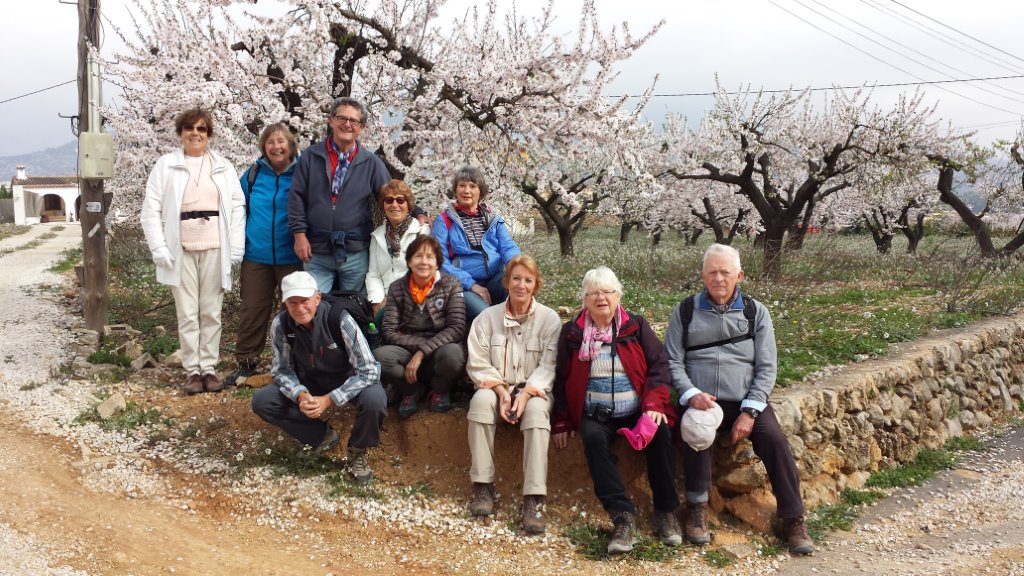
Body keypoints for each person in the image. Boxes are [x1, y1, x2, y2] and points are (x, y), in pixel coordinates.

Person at [665, 243, 814, 555]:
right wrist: (690, 394)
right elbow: (673, 363)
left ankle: (793, 518)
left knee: (773, 439)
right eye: (712, 272)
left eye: (725, 272)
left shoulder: (755, 312)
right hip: (702, 398)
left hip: (745, 399)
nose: (719, 278)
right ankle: (696, 510)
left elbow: (766, 366)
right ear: (703, 275)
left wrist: (750, 410)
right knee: (695, 435)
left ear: (739, 275)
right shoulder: (685, 311)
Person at [552, 267, 682, 554]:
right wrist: (561, 421)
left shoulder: (635, 327)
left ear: (618, 296)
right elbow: (560, 377)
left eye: (607, 291)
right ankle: (622, 516)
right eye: (594, 292)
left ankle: (666, 511)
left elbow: (660, 365)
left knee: (659, 431)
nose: (601, 297)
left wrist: (653, 405)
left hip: (636, 410)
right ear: (584, 299)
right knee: (593, 439)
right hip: (595, 413)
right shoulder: (572, 334)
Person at [140, 108, 246, 395]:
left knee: (211, 312)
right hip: (180, 248)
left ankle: (209, 368)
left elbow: (237, 207)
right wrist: (159, 247)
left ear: (208, 134)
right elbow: (150, 210)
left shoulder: (223, 166)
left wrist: (236, 246)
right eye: (189, 129)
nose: (195, 134)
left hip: (215, 246)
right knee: (187, 313)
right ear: (180, 133)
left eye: (201, 129)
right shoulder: (166, 166)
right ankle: (192, 370)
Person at [251, 271, 386, 485]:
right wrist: (301, 395)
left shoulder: (339, 318)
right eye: (292, 302)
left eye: (304, 301)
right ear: (285, 302)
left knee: (375, 400)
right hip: (310, 380)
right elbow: (281, 370)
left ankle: (358, 451)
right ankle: (321, 437)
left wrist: (329, 400)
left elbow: (369, 369)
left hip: (348, 378)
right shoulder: (281, 324)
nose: (299, 308)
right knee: (263, 401)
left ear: (317, 298)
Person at [288, 97, 425, 294]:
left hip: (355, 250)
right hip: (316, 249)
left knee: (354, 308)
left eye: (354, 121)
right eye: (342, 118)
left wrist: (418, 211)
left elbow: (392, 192)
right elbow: (296, 197)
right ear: (331, 120)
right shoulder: (311, 156)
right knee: (314, 305)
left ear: (362, 127)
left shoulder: (370, 162)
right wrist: (299, 235)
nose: (347, 124)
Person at [465, 255, 561, 533]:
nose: (521, 285)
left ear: (536, 285)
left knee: (536, 414)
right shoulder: (486, 318)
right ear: (506, 282)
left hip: (534, 388)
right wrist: (502, 392)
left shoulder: (550, 319)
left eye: (528, 280)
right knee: (480, 403)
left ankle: (534, 498)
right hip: (496, 386)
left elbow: (549, 365)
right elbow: (478, 361)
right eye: (516, 278)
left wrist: (525, 395)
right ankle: (483, 487)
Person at [226, 123, 303, 386]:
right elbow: (235, 207)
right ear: (263, 147)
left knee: (295, 311)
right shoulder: (253, 175)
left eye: (281, 141)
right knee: (253, 309)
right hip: (256, 255)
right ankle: (246, 363)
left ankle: (297, 362)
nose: (276, 147)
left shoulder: (303, 173)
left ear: (290, 145)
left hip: (292, 256)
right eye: (270, 142)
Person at [375, 235, 467, 418]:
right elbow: (389, 330)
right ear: (409, 261)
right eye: (418, 256)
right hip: (406, 349)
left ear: (437, 262)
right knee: (380, 357)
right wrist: (417, 349)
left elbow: (457, 327)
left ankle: (440, 390)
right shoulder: (396, 288)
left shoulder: (451, 284)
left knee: (454, 355)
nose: (423, 262)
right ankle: (411, 390)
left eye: (429, 257)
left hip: (440, 350)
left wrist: (422, 352)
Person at [432, 166, 521, 323]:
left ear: (481, 191)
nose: (467, 190)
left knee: (520, 293)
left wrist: (517, 264)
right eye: (462, 185)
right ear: (455, 190)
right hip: (463, 285)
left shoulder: (492, 217)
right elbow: (439, 260)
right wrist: (471, 284)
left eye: (472, 186)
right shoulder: (444, 220)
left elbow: (507, 245)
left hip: (495, 278)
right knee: (487, 316)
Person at [365, 179, 430, 324]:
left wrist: (392, 299)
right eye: (389, 200)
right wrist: (377, 303)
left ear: (408, 205)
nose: (394, 205)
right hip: (384, 305)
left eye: (400, 200)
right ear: (383, 205)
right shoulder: (377, 236)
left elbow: (423, 273)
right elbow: (373, 274)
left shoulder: (421, 233)